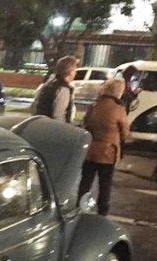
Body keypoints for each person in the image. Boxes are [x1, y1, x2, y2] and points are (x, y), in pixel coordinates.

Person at [76, 79, 130, 216]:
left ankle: (80, 207)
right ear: (118, 92)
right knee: (105, 184)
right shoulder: (119, 109)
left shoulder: (95, 106)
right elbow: (125, 132)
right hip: (108, 152)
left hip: (91, 151)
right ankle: (102, 211)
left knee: (86, 181)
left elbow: (86, 123)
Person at [32, 55, 78, 123]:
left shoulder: (48, 85)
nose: (75, 73)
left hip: (41, 123)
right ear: (70, 71)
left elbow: (34, 106)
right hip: (53, 127)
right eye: (74, 70)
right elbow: (58, 115)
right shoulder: (63, 89)